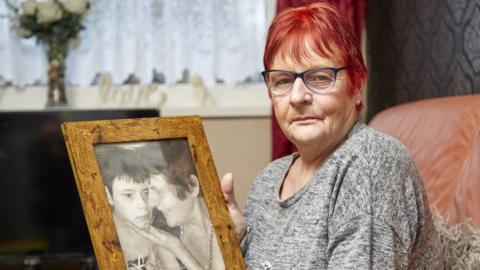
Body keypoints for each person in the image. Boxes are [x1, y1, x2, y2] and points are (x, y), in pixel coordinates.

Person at [220, 3, 442, 269]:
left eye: (320, 77)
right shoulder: (267, 181)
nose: (297, 97)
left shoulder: (371, 164)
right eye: (282, 81)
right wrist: (236, 246)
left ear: (357, 85)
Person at [96, 144, 202, 270]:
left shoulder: (169, 226)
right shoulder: (98, 240)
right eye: (128, 195)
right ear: (108, 195)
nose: (142, 204)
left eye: (146, 192)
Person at [144, 139, 225, 270]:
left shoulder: (227, 228)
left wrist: (180, 251)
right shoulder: (165, 238)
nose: (153, 204)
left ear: (191, 186)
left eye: (159, 192)